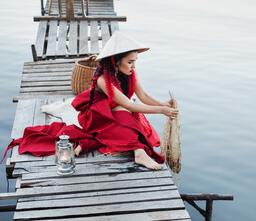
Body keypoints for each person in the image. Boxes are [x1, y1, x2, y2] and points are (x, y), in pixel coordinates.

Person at [71, 31, 179, 170]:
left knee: (132, 123)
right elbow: (129, 104)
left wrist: (162, 103)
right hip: (97, 114)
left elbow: (143, 96)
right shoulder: (103, 79)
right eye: (130, 62)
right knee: (126, 112)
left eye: (135, 61)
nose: (133, 66)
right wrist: (161, 110)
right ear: (115, 61)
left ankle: (133, 148)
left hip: (117, 108)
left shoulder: (131, 72)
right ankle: (139, 153)